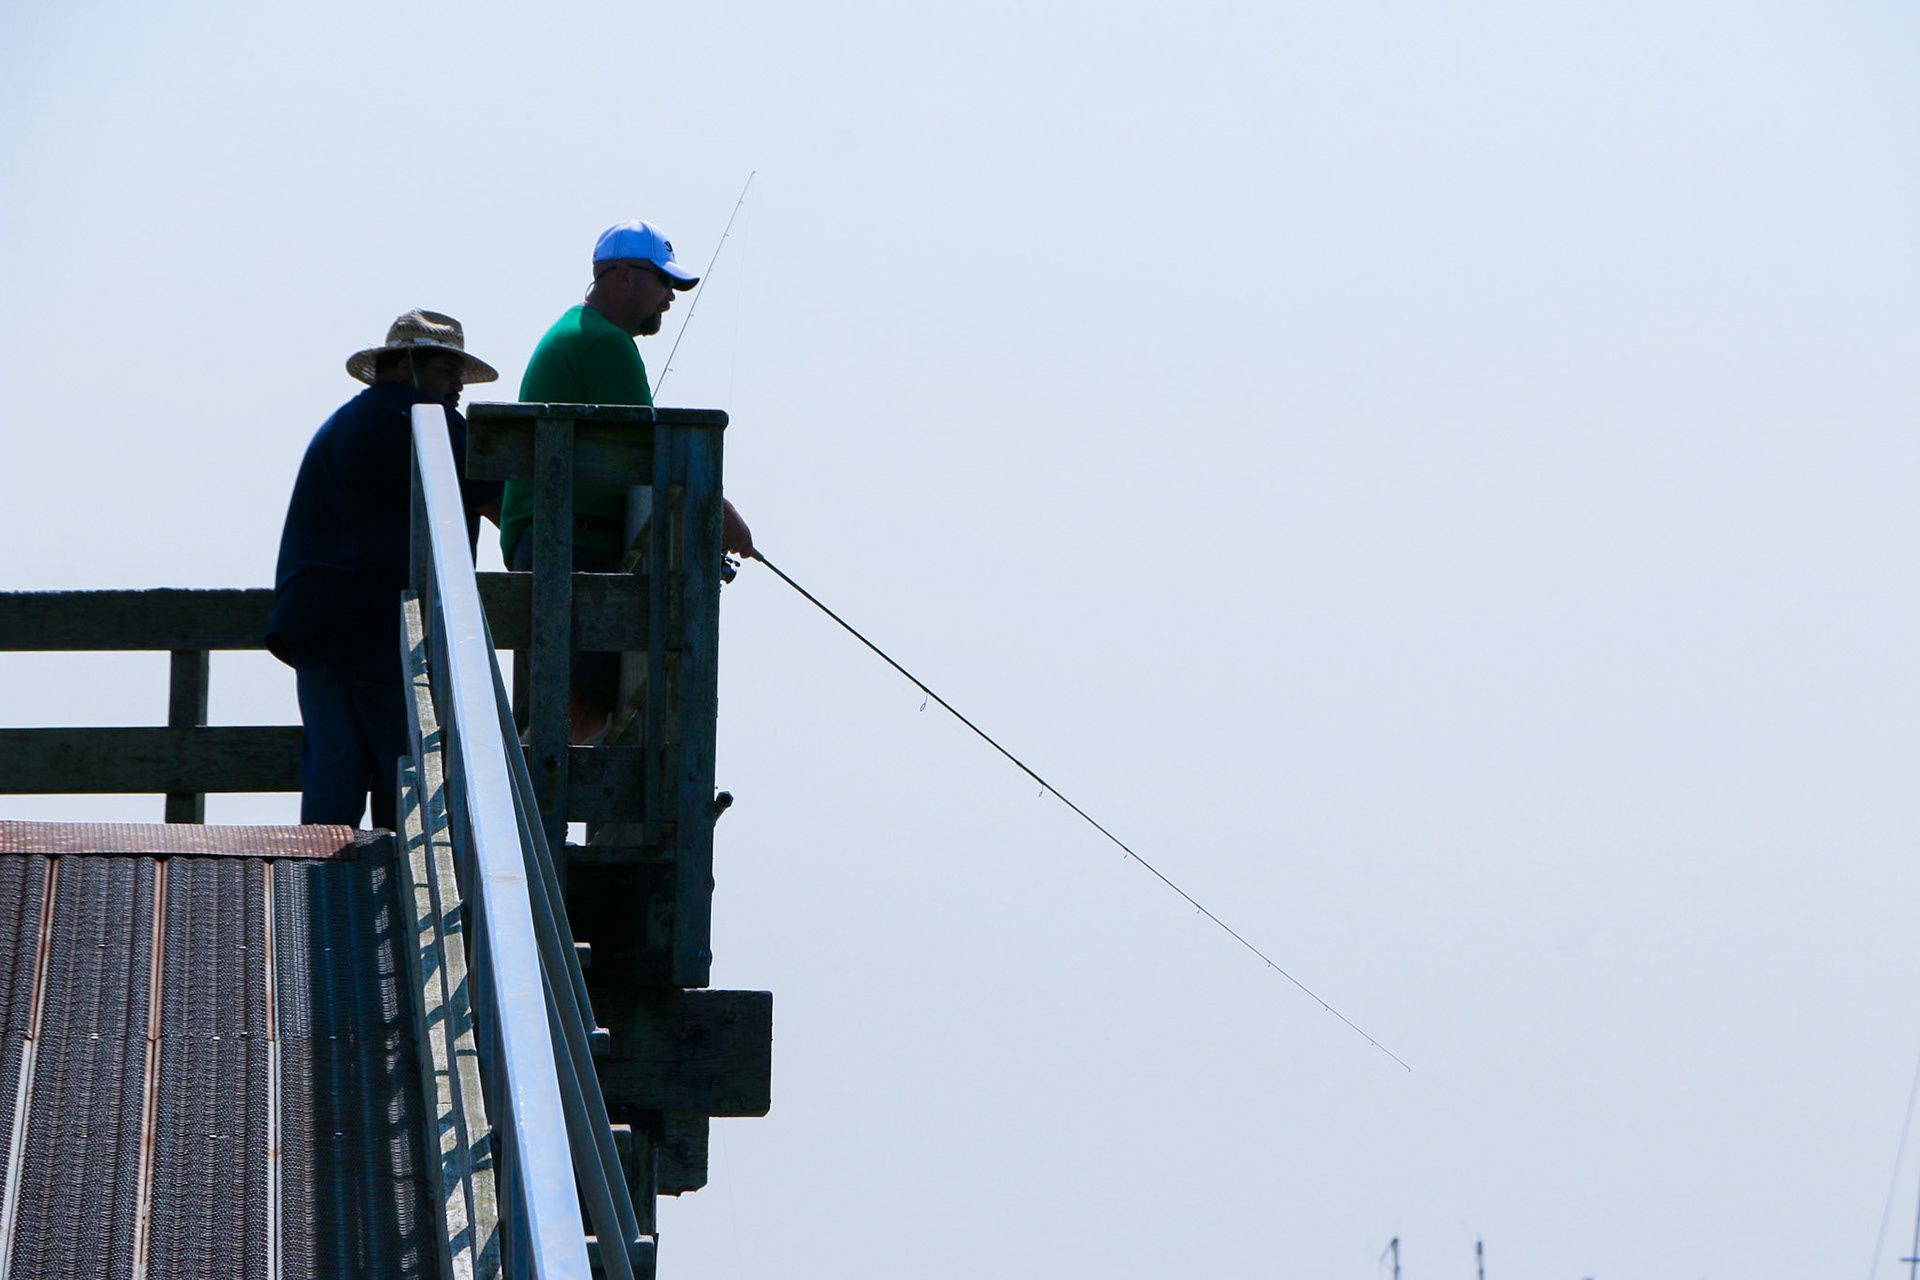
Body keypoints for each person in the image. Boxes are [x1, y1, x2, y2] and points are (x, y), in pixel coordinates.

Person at [498, 218, 753, 742]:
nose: (670, 298)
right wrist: (724, 519)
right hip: (573, 546)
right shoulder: (605, 343)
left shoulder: (577, 331)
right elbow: (656, 453)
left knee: (572, 710)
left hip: (547, 543)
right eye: (664, 282)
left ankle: (523, 792)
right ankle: (523, 796)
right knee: (576, 711)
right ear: (622, 276)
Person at [266, 310, 503, 829]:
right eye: (447, 370)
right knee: (406, 762)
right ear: (408, 366)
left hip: (309, 613)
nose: (458, 385)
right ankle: (394, 870)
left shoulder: (346, 419)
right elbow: (506, 507)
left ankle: (320, 867)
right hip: (377, 619)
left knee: (335, 759)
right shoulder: (427, 418)